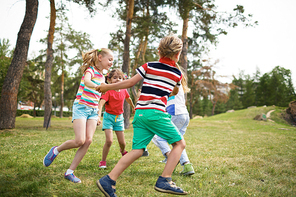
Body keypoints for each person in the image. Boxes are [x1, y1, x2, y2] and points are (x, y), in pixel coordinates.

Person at [95, 34, 188, 196]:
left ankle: (108, 180)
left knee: (137, 150)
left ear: (159, 51)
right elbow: (175, 90)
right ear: (177, 55)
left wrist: (106, 87)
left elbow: (130, 82)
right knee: (179, 144)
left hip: (140, 114)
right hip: (156, 114)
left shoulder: (149, 66)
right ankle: (165, 179)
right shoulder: (177, 74)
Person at [43, 48, 114, 183]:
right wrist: (96, 86)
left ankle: (70, 172)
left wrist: (98, 114)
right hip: (81, 107)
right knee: (79, 141)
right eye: (109, 59)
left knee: (88, 141)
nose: (111, 62)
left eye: (112, 60)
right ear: (100, 57)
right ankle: (56, 150)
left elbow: (101, 95)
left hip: (93, 110)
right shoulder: (91, 70)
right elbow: (87, 81)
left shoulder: (103, 75)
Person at [152, 81, 195, 176]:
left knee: (159, 138)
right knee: (178, 142)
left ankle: (171, 158)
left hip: (175, 113)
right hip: (184, 114)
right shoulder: (178, 84)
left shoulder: (169, 82)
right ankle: (187, 165)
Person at [98, 68, 135, 169]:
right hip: (108, 117)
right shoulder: (108, 91)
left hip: (119, 118)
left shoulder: (124, 90)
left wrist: (133, 107)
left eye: (120, 78)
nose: (118, 80)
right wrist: (98, 116)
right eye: (115, 78)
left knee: (122, 143)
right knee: (109, 141)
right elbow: (101, 103)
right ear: (109, 80)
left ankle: (123, 151)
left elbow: (128, 98)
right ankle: (103, 161)